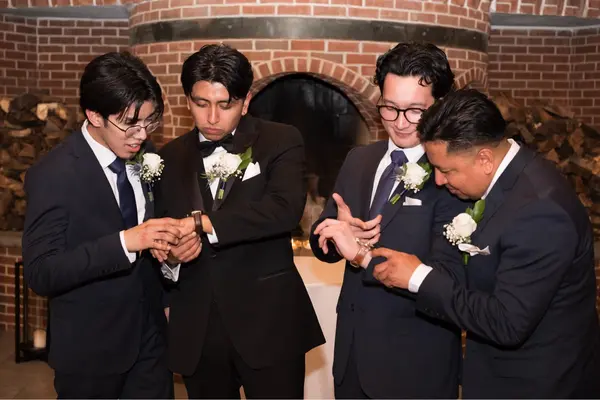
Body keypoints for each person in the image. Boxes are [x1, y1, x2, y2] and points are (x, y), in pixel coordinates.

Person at [341, 88, 600, 398]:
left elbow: (506, 322)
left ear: (485, 159)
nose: (438, 181)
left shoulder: (540, 211)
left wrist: (419, 277)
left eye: (446, 170)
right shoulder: (507, 179)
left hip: (535, 385)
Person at [151, 44, 325, 399]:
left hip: (269, 323)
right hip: (197, 329)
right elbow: (161, 236)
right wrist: (171, 257)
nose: (212, 117)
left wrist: (202, 223)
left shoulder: (281, 139)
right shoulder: (167, 157)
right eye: (201, 103)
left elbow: (284, 210)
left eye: (225, 104)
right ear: (187, 101)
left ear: (245, 103)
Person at [22, 52, 187, 398]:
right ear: (94, 115)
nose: (141, 134)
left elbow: (152, 238)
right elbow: (41, 272)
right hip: (90, 352)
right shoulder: (53, 174)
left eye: (150, 121)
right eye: (130, 123)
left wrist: (169, 255)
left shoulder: (146, 154)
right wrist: (126, 242)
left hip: (151, 343)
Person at [309, 42, 468, 398]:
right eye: (390, 107)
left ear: (440, 106)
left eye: (415, 111)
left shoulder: (452, 174)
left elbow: (449, 280)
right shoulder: (360, 159)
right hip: (352, 357)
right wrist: (334, 236)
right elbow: (322, 235)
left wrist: (362, 254)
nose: (399, 122)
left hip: (413, 363)